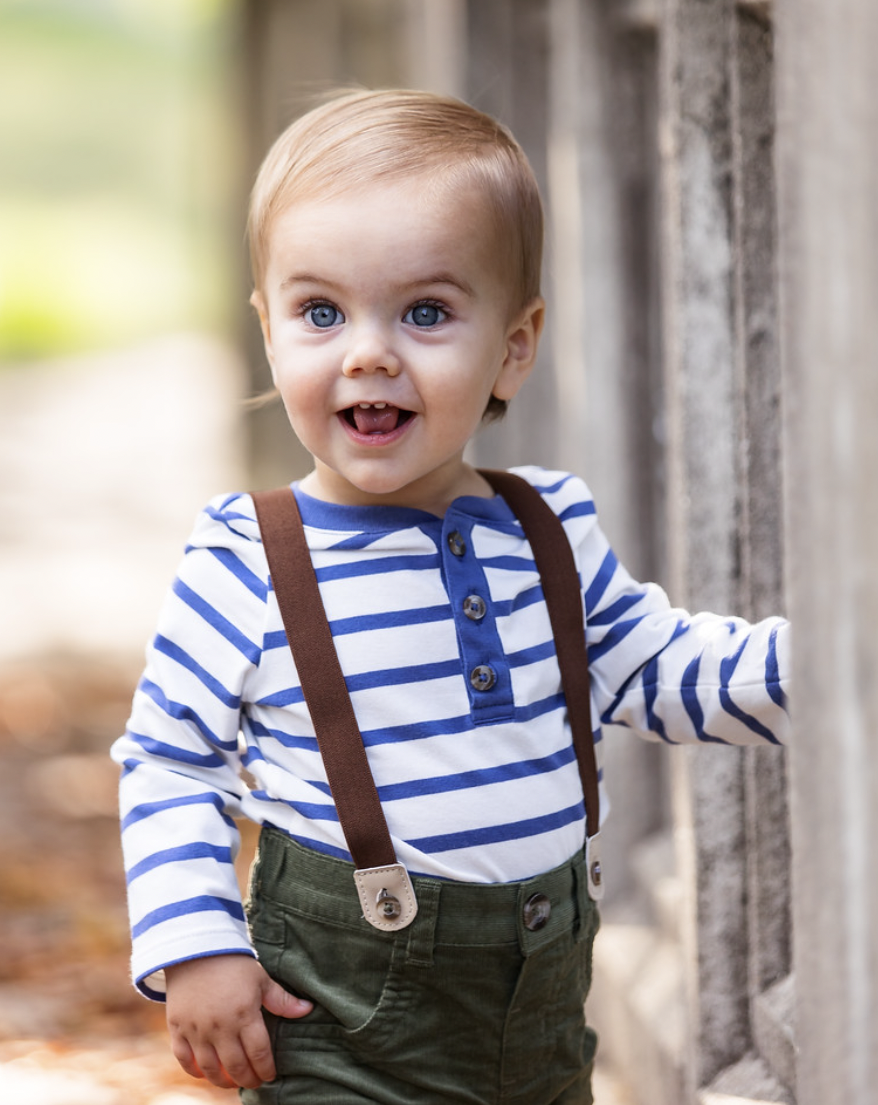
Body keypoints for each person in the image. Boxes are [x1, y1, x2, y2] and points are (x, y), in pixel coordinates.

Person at [111, 88, 789, 1104]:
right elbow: (170, 760)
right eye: (320, 313)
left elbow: (662, 669)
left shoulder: (547, 530)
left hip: (540, 1021)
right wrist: (197, 945)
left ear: (513, 345)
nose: (369, 351)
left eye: (425, 312)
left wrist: (830, 661)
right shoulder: (248, 557)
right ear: (269, 333)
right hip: (337, 1026)